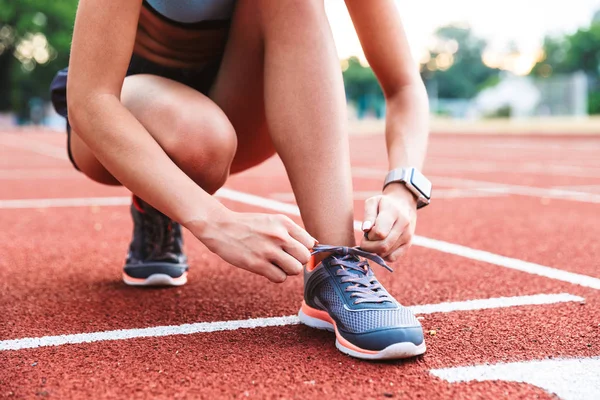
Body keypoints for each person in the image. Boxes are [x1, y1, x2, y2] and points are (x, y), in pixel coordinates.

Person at [50, 0, 431, 360]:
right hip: (121, 109)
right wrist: (216, 221)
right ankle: (155, 201)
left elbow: (404, 86)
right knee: (199, 139)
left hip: (235, 107)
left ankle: (335, 262)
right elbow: (90, 100)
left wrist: (404, 188)